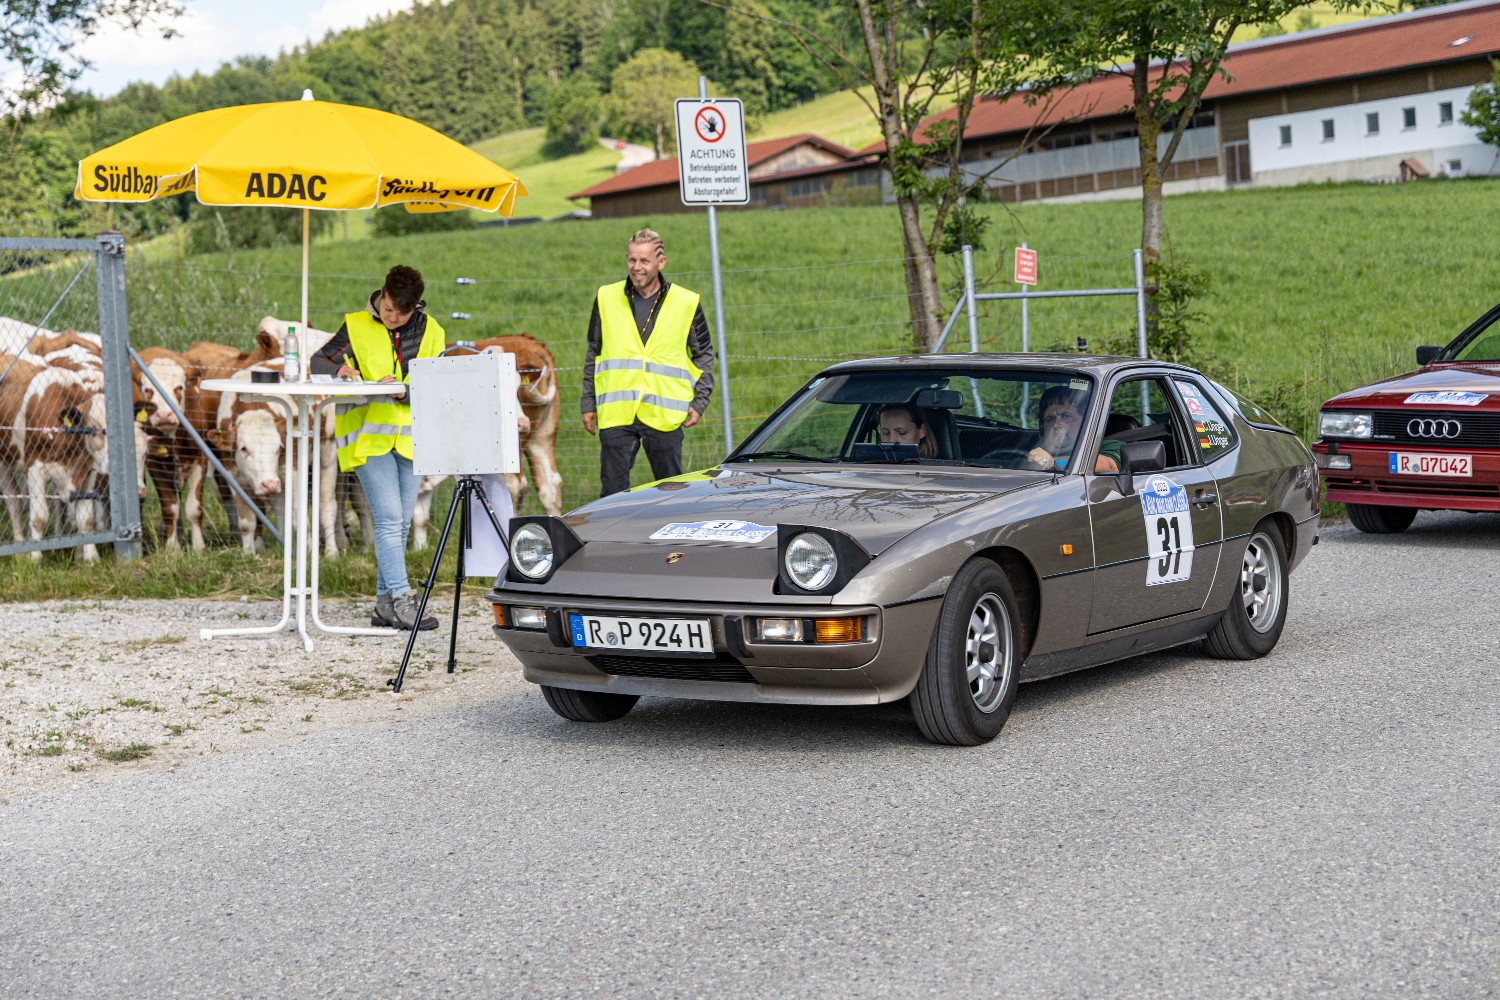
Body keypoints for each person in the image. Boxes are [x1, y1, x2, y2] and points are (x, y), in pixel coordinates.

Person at [312, 264, 444, 631]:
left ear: (416, 307)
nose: (392, 318)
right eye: (388, 309)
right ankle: (402, 598)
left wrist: (403, 391)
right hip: (368, 439)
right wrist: (341, 372)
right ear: (381, 295)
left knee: (399, 524)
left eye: (401, 313)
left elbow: (437, 385)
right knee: (388, 519)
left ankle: (383, 606)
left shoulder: (433, 331)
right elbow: (317, 362)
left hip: (412, 440)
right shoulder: (355, 325)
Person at [581, 228, 715, 497]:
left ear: (661, 262)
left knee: (672, 492)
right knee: (612, 494)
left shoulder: (686, 302)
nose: (636, 267)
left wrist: (700, 402)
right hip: (616, 412)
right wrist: (588, 402)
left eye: (644, 261)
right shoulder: (606, 297)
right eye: (632, 260)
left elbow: (704, 354)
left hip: (665, 414)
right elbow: (593, 351)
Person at [1019, 385, 1121, 473]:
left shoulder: (1107, 446)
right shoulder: (1030, 451)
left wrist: (1054, 462)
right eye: (1050, 419)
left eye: (1066, 417)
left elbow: (1110, 465)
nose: (1056, 424)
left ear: (1086, 421)